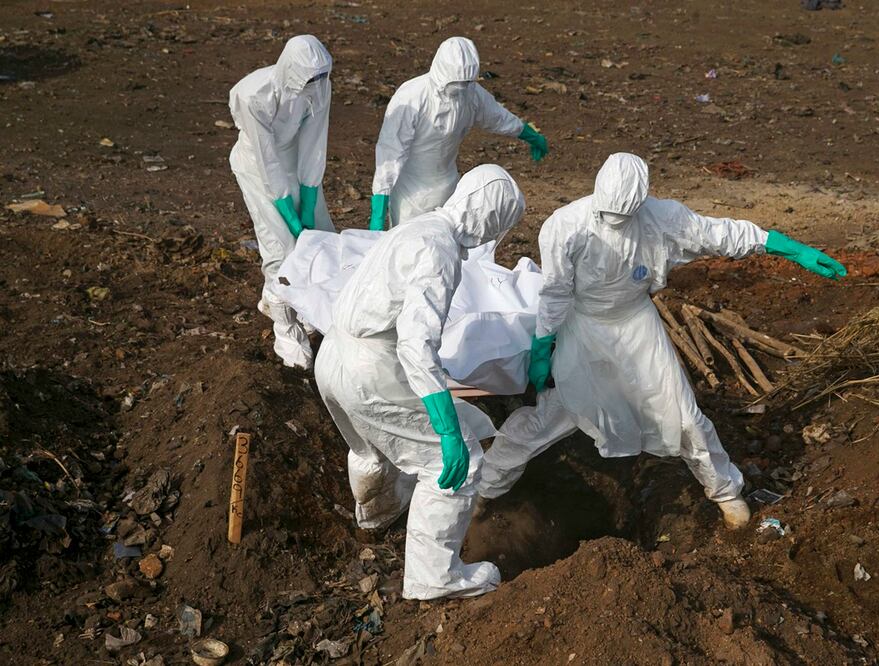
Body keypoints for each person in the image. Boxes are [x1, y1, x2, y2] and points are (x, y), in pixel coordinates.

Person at [478, 153, 847, 529]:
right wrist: (544, 345)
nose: (615, 224)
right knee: (560, 411)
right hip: (585, 327)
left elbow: (720, 234)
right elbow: (555, 292)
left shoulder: (663, 218)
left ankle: (725, 493)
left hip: (637, 325)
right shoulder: (565, 226)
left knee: (683, 414)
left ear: (640, 205)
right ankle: (486, 488)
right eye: (608, 216)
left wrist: (788, 247)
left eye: (623, 218)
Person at [315, 164, 526, 599]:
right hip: (371, 367)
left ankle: (375, 517)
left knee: (369, 446)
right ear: (488, 219)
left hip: (333, 353)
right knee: (457, 462)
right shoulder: (440, 252)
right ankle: (434, 576)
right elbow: (416, 343)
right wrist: (447, 427)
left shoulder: (418, 227)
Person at [229, 35, 334, 370]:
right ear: (291, 70)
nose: (316, 85)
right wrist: (290, 215)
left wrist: (309, 198)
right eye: (309, 78)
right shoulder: (254, 95)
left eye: (322, 77)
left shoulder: (318, 88)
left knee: (321, 237)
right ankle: (286, 332)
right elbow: (267, 160)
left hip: (293, 160)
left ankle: (293, 303)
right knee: (281, 246)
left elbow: (315, 143)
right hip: (257, 165)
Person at [368, 36, 548, 230]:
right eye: (456, 82)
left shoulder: (471, 93)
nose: (461, 87)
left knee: (448, 242)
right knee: (409, 245)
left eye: (466, 82)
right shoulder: (412, 96)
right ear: (442, 72)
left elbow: (498, 117)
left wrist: (529, 135)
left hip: (450, 187)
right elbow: (391, 151)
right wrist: (379, 206)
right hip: (411, 194)